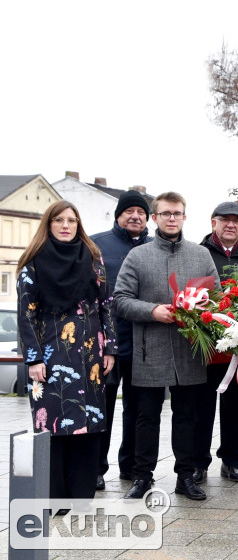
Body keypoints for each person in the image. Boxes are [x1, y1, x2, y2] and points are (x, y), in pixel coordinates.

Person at [114, 191, 218, 500]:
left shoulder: (200, 255)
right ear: (155, 218)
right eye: (165, 213)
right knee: (146, 417)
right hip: (149, 350)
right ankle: (142, 476)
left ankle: (185, 476)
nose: (171, 218)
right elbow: (120, 300)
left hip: (189, 349)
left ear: (185, 217)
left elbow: (218, 297)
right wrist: (152, 311)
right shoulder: (138, 256)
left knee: (187, 416)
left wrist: (203, 309)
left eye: (177, 213)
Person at [18, 200, 117, 500]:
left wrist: (110, 348)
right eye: (59, 220)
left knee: (88, 426)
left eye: (71, 220)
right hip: (50, 357)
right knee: (53, 425)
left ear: (78, 225)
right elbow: (26, 315)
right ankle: (54, 497)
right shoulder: (32, 263)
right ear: (48, 224)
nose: (65, 225)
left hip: (90, 358)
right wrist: (33, 359)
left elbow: (106, 306)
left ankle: (81, 496)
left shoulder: (92, 259)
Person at [193, 201, 238, 485]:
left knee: (235, 407)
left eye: (237, 220)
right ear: (213, 223)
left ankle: (232, 461)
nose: (230, 224)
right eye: (225, 219)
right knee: (202, 409)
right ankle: (199, 463)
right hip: (206, 347)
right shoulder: (198, 254)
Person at [92, 190, 151, 491]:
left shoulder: (155, 247)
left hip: (145, 343)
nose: (135, 216)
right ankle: (96, 468)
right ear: (118, 215)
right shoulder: (96, 245)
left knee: (139, 409)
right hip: (108, 345)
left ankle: (131, 466)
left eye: (141, 212)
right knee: (103, 407)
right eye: (128, 211)